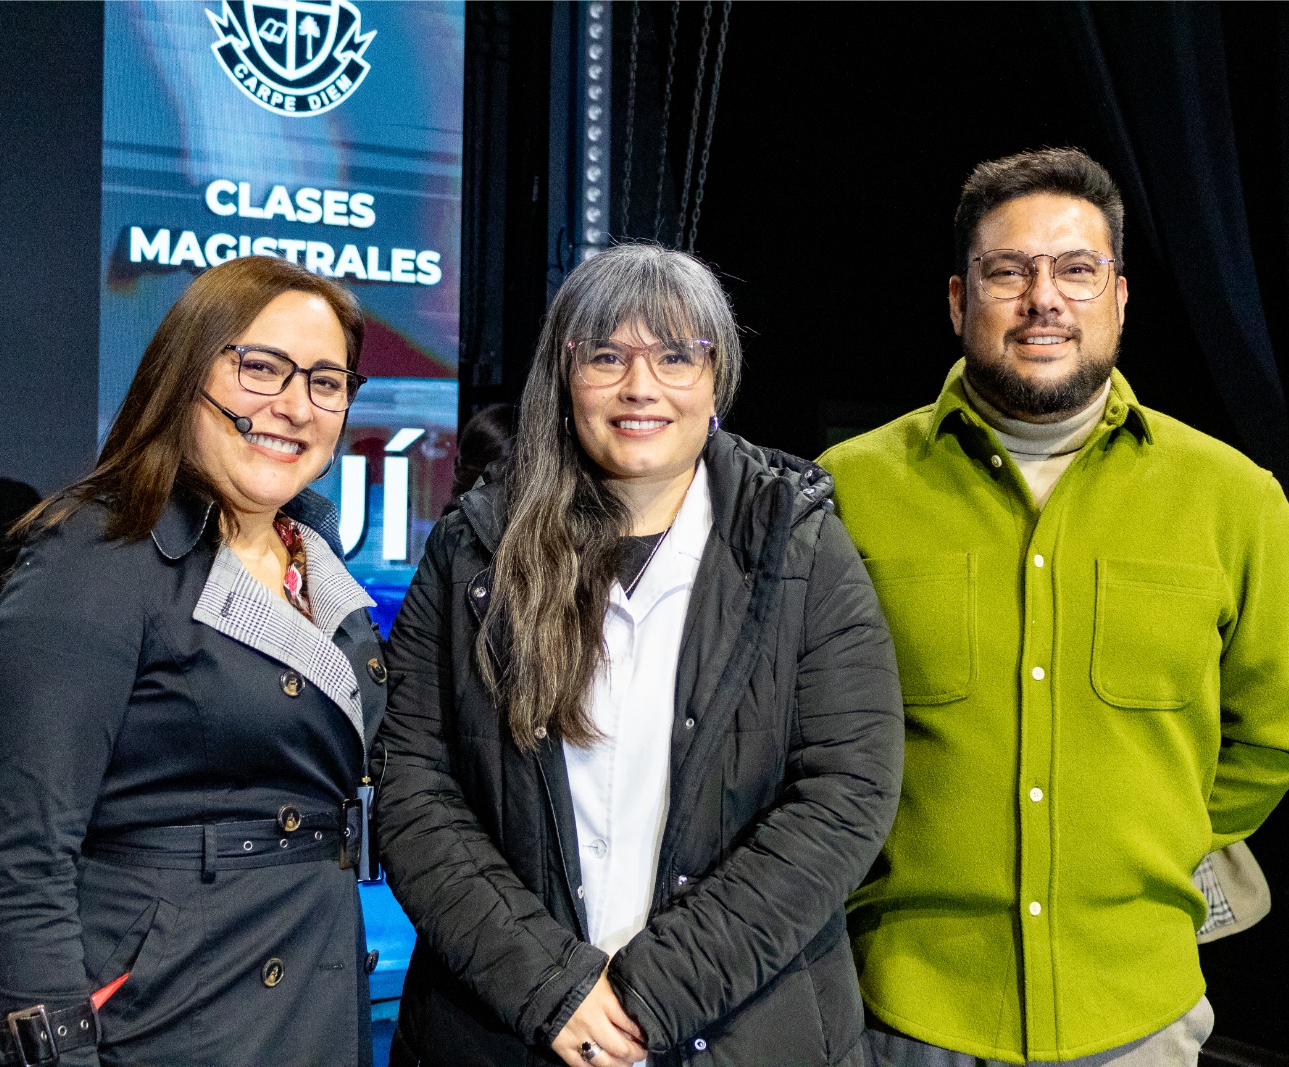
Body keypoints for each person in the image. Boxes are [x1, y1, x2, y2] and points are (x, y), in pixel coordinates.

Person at [818, 148, 1289, 1067]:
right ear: (958, 300)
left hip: (1137, 1016)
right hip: (903, 1013)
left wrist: (1158, 832)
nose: (1043, 298)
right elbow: (793, 732)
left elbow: (1284, 724)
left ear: (1120, 298)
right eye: (1007, 271)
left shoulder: (1232, 498)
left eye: (1076, 270)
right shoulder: (845, 492)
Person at [375, 243, 904, 1067]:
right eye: (606, 357)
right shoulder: (472, 551)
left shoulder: (798, 547)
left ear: (716, 379)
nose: (640, 386)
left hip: (742, 1031)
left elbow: (847, 791)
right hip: (502, 1031)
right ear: (564, 375)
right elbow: (414, 788)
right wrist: (549, 988)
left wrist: (649, 993)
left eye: (675, 356)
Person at [0, 256, 387, 1067]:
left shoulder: (314, 553)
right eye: (262, 367)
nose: (295, 405)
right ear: (186, 371)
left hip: (316, 994)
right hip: (169, 1021)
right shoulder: (98, 551)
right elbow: (22, 857)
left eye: (327, 381)